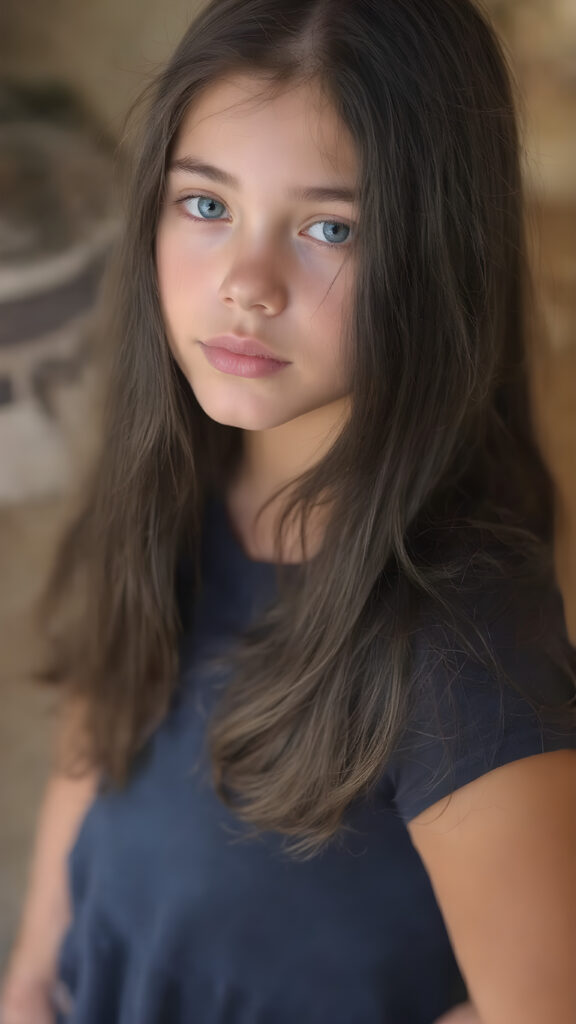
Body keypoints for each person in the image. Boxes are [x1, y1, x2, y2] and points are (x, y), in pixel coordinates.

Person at [2, 0, 576, 1022]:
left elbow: (538, 1005)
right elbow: (102, 719)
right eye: (207, 205)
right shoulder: (172, 466)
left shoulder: (458, 643)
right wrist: (34, 968)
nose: (246, 284)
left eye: (328, 227)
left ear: (437, 257)